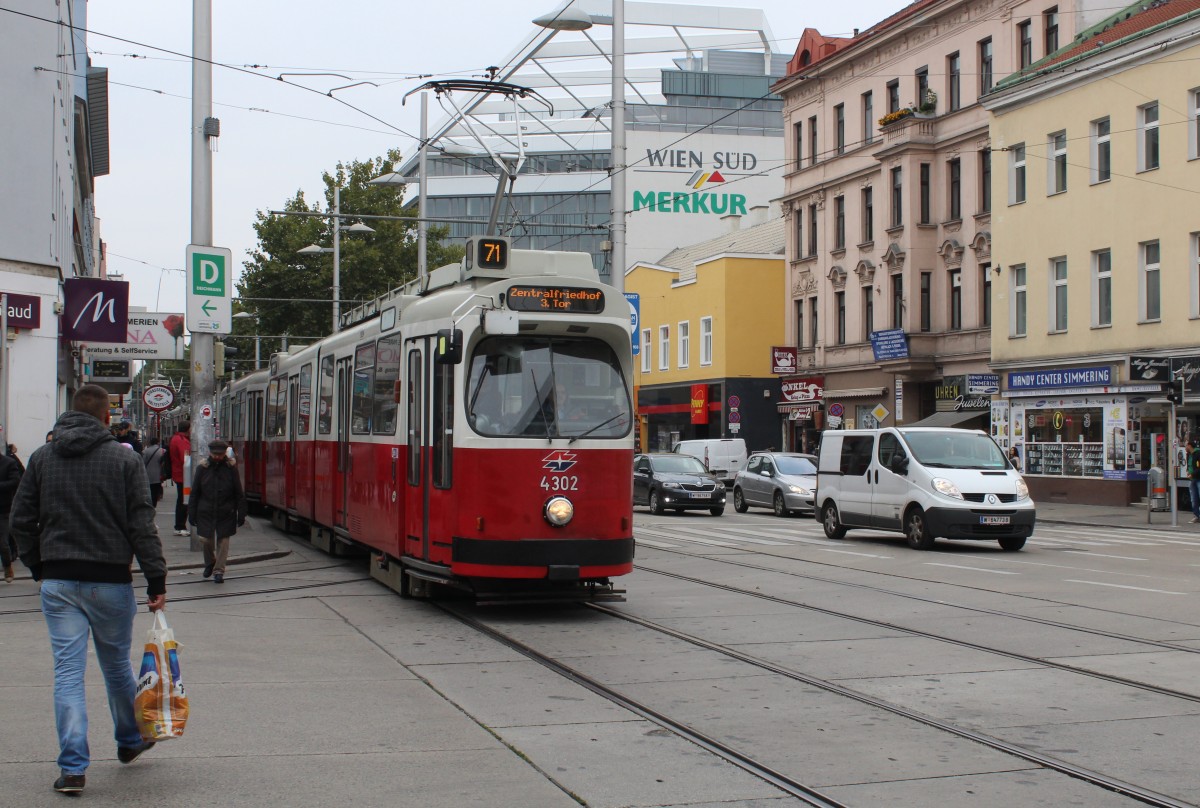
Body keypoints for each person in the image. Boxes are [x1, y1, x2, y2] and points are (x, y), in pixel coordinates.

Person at [10, 384, 166, 795]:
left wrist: (37, 564)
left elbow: (20, 519)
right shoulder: (123, 460)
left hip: (59, 582)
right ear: (105, 418)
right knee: (115, 667)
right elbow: (140, 524)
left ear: (67, 414)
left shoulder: (42, 458)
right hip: (111, 580)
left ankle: (74, 769)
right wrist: (156, 579)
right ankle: (130, 740)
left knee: (67, 673)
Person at [188, 439, 247, 584]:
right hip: (206, 510)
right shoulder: (202, 468)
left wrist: (241, 513)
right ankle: (210, 563)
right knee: (206, 540)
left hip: (226, 510)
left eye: (220, 454)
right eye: (215, 454)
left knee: (223, 541)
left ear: (224, 454)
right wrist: (191, 512)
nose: (217, 457)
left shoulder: (230, 468)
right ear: (210, 453)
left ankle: (219, 571)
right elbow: (194, 492)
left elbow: (238, 492)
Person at [0, 446, 22, 582]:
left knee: (2, 542)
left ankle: (7, 566)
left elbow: (15, 481)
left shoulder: (9, 463)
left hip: (3, 509)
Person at [168, 421, 192, 536]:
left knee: (182, 500)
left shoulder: (176, 438)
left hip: (179, 474)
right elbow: (186, 458)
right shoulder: (181, 440)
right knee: (184, 501)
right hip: (184, 475)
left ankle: (180, 526)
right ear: (188, 429)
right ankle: (180, 526)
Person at [142, 437, 168, 507]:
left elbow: (143, 463)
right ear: (158, 442)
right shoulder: (163, 451)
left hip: (148, 474)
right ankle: (154, 504)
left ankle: (149, 504)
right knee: (156, 490)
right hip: (159, 474)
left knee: (149, 490)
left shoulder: (145, 451)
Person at [1187, 439, 1200, 524]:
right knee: (1194, 498)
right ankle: (1196, 516)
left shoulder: (1198, 454)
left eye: (1186, 445)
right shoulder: (1190, 455)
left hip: (1198, 478)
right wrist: (1188, 471)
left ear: (1189, 446)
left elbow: (1199, 467)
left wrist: (1193, 474)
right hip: (1192, 479)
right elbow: (1190, 465)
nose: (1185, 447)